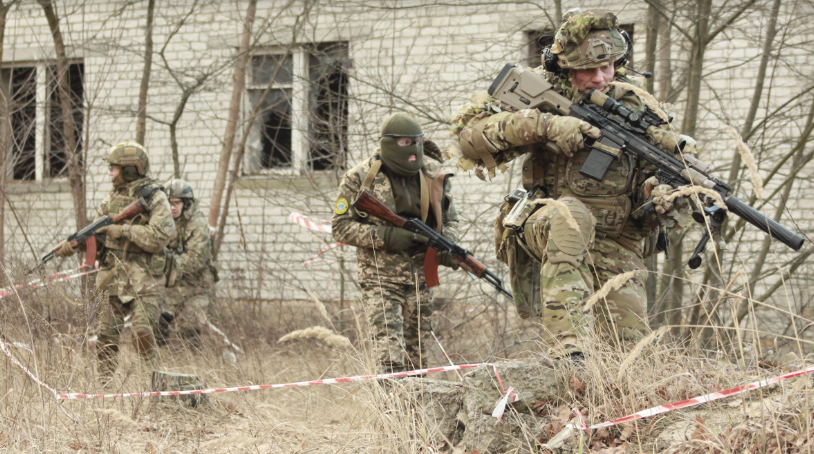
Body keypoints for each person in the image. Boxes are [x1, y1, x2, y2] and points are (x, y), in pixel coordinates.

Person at [451, 9, 692, 361]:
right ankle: (570, 356)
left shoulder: (636, 105)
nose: (600, 78)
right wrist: (545, 126)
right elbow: (467, 138)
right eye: (588, 70)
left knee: (632, 355)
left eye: (608, 67)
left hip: (614, 239)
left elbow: (656, 175)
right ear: (564, 67)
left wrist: (660, 193)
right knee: (571, 216)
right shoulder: (541, 89)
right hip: (546, 221)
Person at [332, 112, 460, 373]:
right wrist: (386, 237)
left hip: (421, 278)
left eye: (418, 141)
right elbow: (340, 227)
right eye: (405, 143)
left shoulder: (434, 175)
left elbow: (450, 221)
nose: (413, 149)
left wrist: (448, 245)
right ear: (388, 144)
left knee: (418, 357)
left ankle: (415, 412)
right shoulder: (359, 177)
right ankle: (391, 411)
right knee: (389, 355)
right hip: (380, 278)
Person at [55, 142, 175, 384]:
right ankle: (105, 388)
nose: (110, 173)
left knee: (142, 332)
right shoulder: (111, 198)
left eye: (114, 168)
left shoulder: (154, 197)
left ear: (130, 169)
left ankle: (154, 386)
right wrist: (75, 246)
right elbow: (99, 237)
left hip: (146, 280)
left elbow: (160, 237)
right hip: (113, 278)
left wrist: (123, 231)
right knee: (106, 338)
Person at [158, 178, 219, 353]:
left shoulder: (196, 224)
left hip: (196, 283)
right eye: (168, 203)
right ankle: (160, 361)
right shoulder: (163, 220)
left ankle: (195, 365)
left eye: (176, 203)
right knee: (155, 320)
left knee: (189, 326)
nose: (172, 207)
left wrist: (165, 264)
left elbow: (196, 259)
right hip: (171, 284)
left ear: (185, 203)